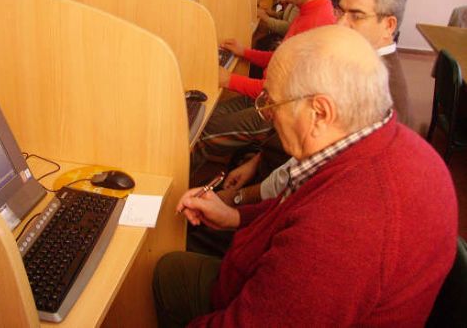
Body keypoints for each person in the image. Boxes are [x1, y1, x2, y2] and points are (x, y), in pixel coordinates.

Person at [153, 25, 458, 327]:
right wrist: (235, 217)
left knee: (161, 273)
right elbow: (299, 204)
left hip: (271, 303)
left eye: (271, 103)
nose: (267, 114)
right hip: (273, 285)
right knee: (170, 269)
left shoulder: (342, 231)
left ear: (319, 113)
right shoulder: (384, 142)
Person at [218, 0, 414, 207]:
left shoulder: (378, 92)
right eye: (340, 12)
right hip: (273, 177)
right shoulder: (355, 63)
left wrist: (241, 198)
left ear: (388, 25)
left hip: (288, 203)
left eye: (357, 16)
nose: (340, 23)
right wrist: (255, 164)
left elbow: (309, 174)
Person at [192, 0, 334, 173]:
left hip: (277, 109)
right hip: (264, 95)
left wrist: (230, 81)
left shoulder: (319, 24)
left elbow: (286, 94)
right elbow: (281, 59)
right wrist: (244, 52)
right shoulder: (306, 11)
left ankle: (184, 198)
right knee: (204, 114)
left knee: (200, 133)